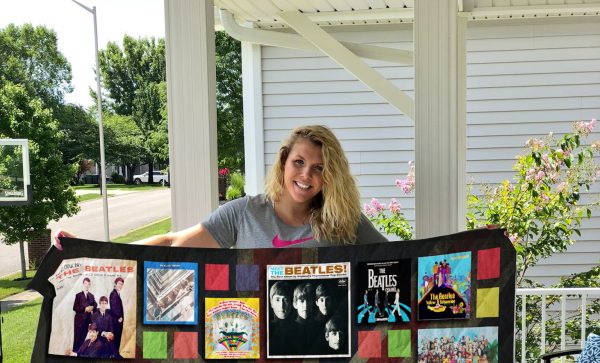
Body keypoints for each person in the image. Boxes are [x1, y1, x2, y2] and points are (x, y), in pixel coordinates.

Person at [56, 125, 387, 251]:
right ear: (284, 162)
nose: (306, 174)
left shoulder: (344, 219)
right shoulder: (244, 213)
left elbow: (398, 263)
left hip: (325, 357)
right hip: (254, 355)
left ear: (330, 176)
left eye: (319, 168)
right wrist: (92, 249)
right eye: (299, 162)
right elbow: (172, 242)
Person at [72, 277, 97, 351]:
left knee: (84, 338)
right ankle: (75, 352)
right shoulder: (78, 295)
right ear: (83, 284)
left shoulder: (91, 295)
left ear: (90, 285)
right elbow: (74, 307)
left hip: (87, 321)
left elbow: (95, 304)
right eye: (85, 283)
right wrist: (84, 309)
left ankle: (81, 352)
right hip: (79, 321)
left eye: (88, 284)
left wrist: (92, 307)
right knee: (77, 338)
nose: (87, 285)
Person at [109, 277, 125, 354]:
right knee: (115, 339)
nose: (120, 286)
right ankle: (114, 355)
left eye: (122, 284)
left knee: (117, 339)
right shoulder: (113, 294)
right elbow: (113, 308)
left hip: (118, 321)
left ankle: (115, 354)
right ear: (115, 284)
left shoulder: (117, 294)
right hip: (116, 321)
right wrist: (119, 317)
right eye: (119, 284)